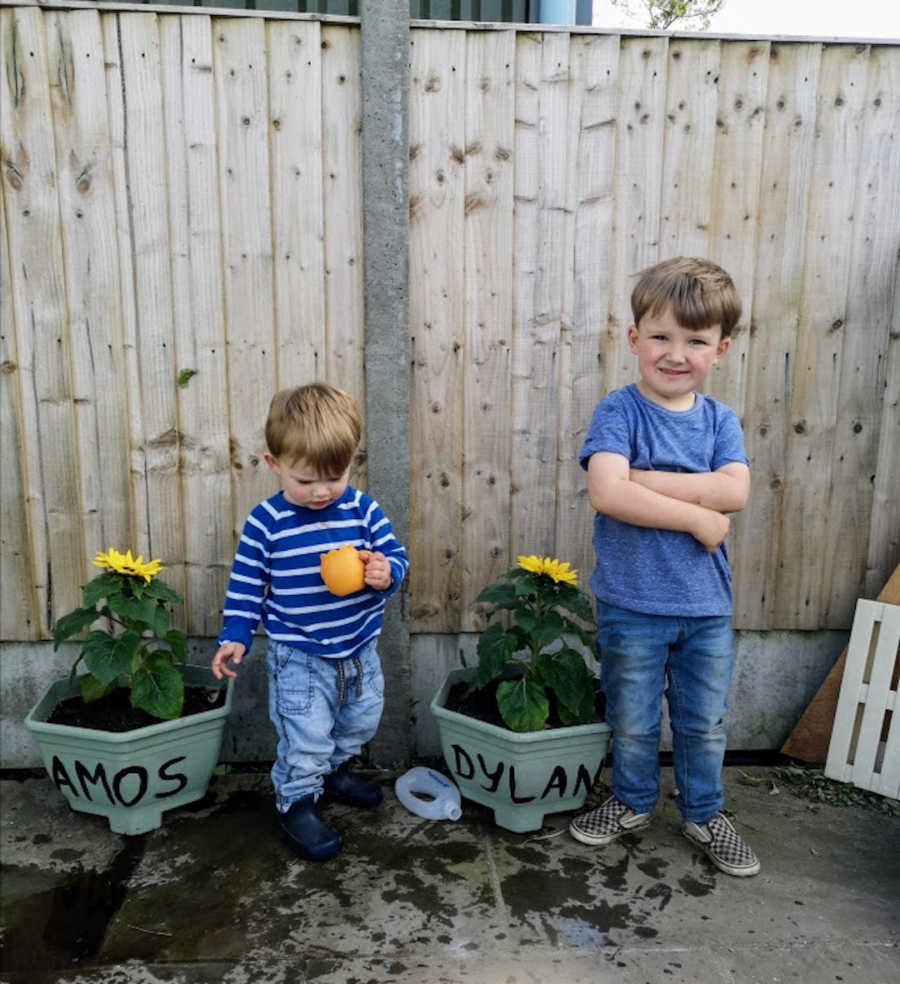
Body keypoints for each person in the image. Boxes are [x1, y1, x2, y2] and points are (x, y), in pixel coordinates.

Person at [569, 257, 759, 877]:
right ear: (634, 339)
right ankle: (630, 801)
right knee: (633, 719)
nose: (676, 354)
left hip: (706, 608)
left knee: (703, 724)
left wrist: (646, 480)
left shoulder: (718, 420)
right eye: (661, 337)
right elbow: (608, 493)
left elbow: (736, 491)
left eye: (696, 341)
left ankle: (704, 812)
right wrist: (696, 518)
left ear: (721, 348)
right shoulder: (619, 412)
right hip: (632, 604)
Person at [212, 382, 408, 862]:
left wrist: (384, 574)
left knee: (360, 720)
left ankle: (335, 772)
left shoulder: (364, 510)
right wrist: (236, 634)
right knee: (305, 735)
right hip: (299, 655)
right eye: (305, 479)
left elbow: (395, 559)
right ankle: (297, 799)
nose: (321, 491)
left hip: (359, 648)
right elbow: (246, 584)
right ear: (275, 464)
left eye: (334, 476)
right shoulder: (267, 522)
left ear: (350, 462)